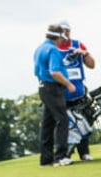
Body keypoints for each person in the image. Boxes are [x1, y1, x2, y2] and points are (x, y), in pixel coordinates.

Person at [34, 25, 75, 167]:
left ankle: (46, 159)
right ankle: (60, 157)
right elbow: (55, 72)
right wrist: (68, 84)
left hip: (43, 88)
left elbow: (38, 71)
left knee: (47, 124)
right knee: (62, 120)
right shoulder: (53, 50)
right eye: (62, 37)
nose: (63, 40)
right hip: (53, 88)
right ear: (58, 37)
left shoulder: (39, 48)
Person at [57, 21, 95, 162]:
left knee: (82, 121)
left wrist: (84, 53)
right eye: (62, 31)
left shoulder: (77, 44)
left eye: (67, 31)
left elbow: (92, 65)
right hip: (62, 94)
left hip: (78, 92)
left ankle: (84, 153)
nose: (65, 34)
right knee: (66, 126)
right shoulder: (53, 47)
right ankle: (64, 154)